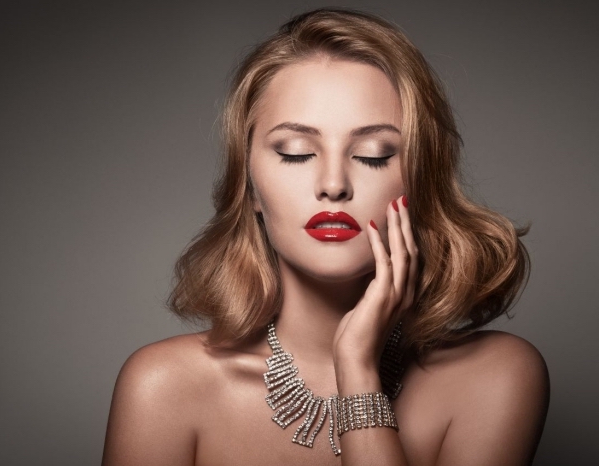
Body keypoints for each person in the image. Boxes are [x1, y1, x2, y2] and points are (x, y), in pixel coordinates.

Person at [102, 8, 549, 466]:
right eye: (296, 153)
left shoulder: (496, 376)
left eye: (373, 155)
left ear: (420, 183)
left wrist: (356, 368)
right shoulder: (164, 387)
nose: (333, 184)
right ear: (250, 187)